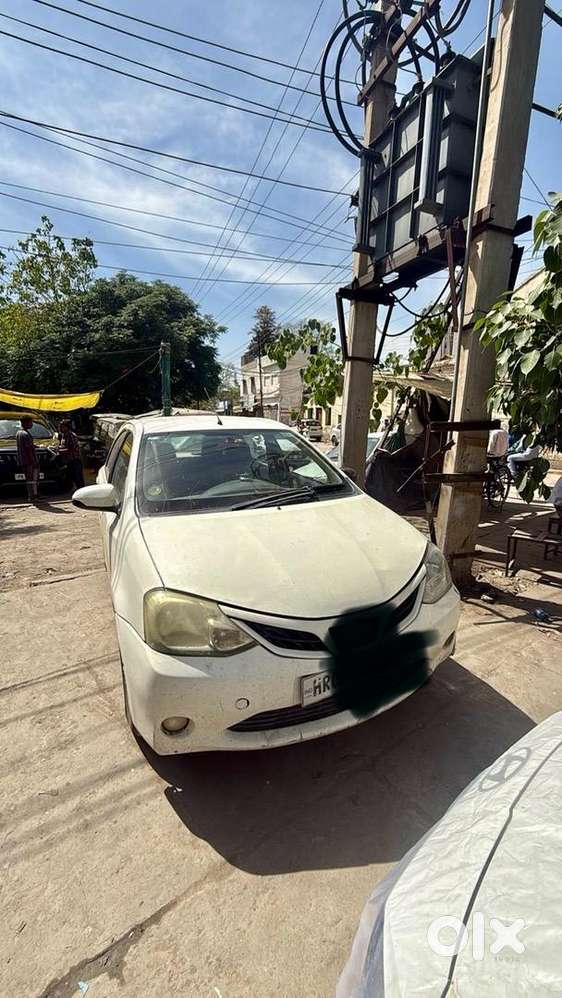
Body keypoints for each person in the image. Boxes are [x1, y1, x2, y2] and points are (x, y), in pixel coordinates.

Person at [16, 415, 40, 502]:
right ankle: (33, 496)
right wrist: (33, 461)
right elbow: (28, 449)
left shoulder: (19, 433)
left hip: (23, 460)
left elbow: (29, 446)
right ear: (25, 423)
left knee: (29, 479)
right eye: (31, 422)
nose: (32, 424)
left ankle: (32, 496)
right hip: (29, 461)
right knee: (32, 479)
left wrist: (36, 446)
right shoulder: (25, 434)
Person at [58, 418, 85, 489]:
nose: (60, 428)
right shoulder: (62, 435)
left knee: (77, 478)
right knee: (69, 477)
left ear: (66, 427)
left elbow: (72, 449)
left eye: (62, 427)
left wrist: (61, 451)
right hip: (68, 460)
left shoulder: (71, 436)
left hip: (74, 460)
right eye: (60, 426)